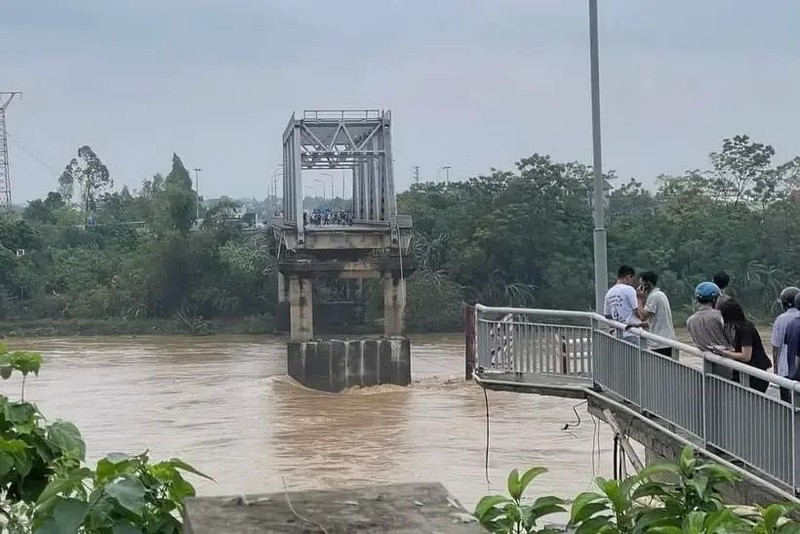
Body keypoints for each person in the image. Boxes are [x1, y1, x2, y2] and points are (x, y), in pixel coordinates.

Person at [712, 300, 771, 393]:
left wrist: (724, 353)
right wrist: (729, 350)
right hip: (749, 375)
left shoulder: (745, 329)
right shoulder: (742, 328)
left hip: (754, 377)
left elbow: (746, 356)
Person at [686, 282, 734, 379]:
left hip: (706, 365)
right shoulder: (720, 316)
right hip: (727, 365)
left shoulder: (690, 321)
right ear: (714, 299)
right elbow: (733, 339)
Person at [636, 271, 677, 358]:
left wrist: (639, 299)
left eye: (641, 285)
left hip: (660, 343)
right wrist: (636, 325)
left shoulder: (653, 297)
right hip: (667, 341)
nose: (640, 288)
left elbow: (643, 316)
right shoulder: (661, 295)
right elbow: (657, 320)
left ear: (647, 284)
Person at [772, 287, 800, 402]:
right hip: (798, 370)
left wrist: (775, 369)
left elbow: (775, 347)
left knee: (787, 407)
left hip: (785, 370)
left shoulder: (780, 320)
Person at [603, 265, 643, 342]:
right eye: (632, 279)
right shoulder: (629, 289)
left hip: (618, 335)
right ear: (628, 277)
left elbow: (607, 315)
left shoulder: (609, 293)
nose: (632, 283)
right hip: (632, 333)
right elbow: (637, 311)